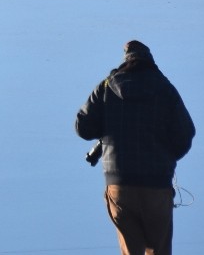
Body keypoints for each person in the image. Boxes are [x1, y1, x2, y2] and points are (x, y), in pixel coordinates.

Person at [75, 40, 196, 255]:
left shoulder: (106, 86)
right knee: (159, 250)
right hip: (157, 185)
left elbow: (83, 128)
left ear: (125, 61)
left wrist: (107, 128)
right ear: (151, 62)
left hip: (120, 184)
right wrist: (168, 158)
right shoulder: (165, 88)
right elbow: (185, 134)